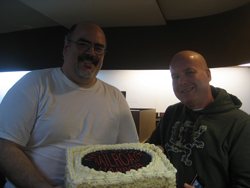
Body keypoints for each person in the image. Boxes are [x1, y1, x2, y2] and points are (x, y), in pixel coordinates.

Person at [0, 22, 139, 188]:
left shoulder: (115, 96)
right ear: (66, 48)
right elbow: (5, 146)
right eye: (83, 44)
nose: (91, 53)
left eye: (98, 48)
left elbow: (130, 152)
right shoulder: (34, 84)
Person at [146, 50, 250, 188]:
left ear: (208, 74)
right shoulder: (171, 113)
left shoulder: (240, 124)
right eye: (175, 76)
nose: (181, 81)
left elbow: (245, 182)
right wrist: (152, 153)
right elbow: (150, 149)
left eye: (189, 72)